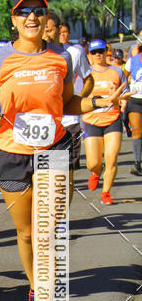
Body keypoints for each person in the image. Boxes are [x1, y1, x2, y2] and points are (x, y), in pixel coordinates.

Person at [0, 0, 125, 301]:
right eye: (24, 11)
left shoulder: (62, 57)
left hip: (54, 146)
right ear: (13, 19)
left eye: (38, 11)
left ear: (46, 20)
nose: (32, 17)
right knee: (27, 233)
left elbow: (70, 102)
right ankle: (34, 288)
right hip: (12, 152)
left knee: (51, 231)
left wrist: (101, 100)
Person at [44, 13, 92, 178]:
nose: (46, 35)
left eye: (49, 30)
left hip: (68, 123)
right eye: (43, 30)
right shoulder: (35, 56)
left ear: (59, 30)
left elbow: (89, 80)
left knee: (63, 177)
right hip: (43, 125)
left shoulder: (74, 53)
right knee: (44, 178)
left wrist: (77, 99)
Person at [83, 38, 128, 204]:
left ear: (106, 52)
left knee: (112, 157)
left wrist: (121, 102)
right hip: (92, 120)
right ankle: (96, 172)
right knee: (92, 163)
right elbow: (78, 97)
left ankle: (106, 193)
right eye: (94, 52)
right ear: (89, 55)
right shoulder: (85, 75)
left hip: (112, 119)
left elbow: (125, 93)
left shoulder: (117, 71)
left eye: (100, 51)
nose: (98, 55)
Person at [123, 46, 142, 175]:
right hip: (135, 99)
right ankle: (137, 162)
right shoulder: (132, 61)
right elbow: (123, 77)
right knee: (137, 130)